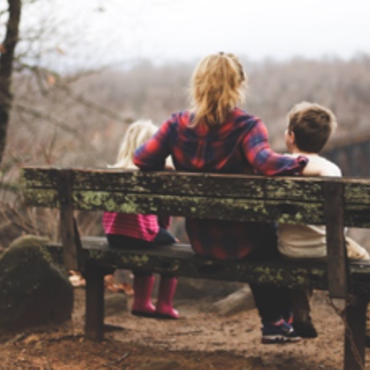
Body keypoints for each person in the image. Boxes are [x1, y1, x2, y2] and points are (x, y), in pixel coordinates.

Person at [133, 52, 319, 344]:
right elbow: (266, 163)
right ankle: (277, 322)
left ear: (197, 84)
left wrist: (165, 165)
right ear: (238, 85)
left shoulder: (176, 124)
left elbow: (141, 158)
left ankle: (279, 323)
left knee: (263, 237)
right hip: (245, 241)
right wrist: (301, 163)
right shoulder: (247, 126)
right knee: (271, 239)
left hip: (202, 240)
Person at [278, 101, 370, 337]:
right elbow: (341, 222)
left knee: (300, 254)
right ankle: (365, 323)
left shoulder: (279, 167)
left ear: (290, 136)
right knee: (364, 260)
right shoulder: (330, 170)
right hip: (328, 249)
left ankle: (300, 313)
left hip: (288, 250)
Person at [103, 119, 179, 319]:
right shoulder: (153, 174)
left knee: (145, 242)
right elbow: (162, 215)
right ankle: (164, 305)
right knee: (172, 247)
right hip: (141, 235)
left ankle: (141, 302)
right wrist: (163, 230)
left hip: (114, 236)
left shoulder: (115, 172)